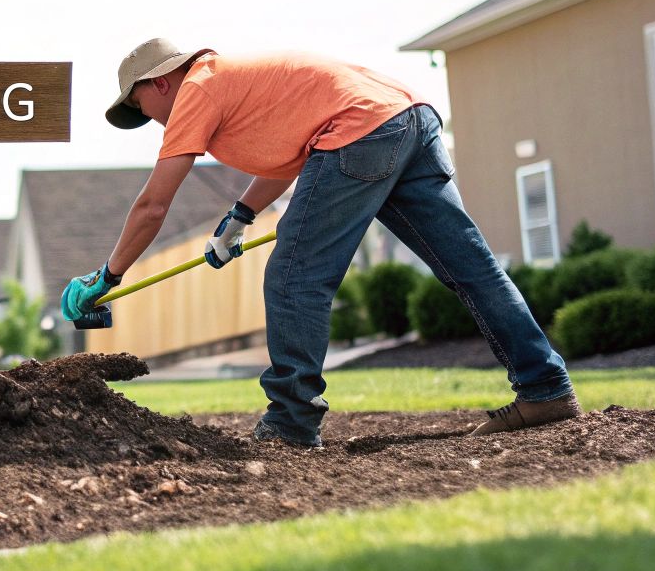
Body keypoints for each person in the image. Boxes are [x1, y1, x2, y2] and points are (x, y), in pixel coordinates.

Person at [59, 38, 578, 447]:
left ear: (160, 81)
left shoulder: (196, 88)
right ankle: (545, 389)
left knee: (293, 278)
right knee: (472, 268)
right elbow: (294, 156)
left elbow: (153, 205)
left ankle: (290, 421)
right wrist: (240, 217)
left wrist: (108, 276)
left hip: (362, 130)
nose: (146, 115)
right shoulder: (231, 82)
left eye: (139, 103)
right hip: (407, 117)